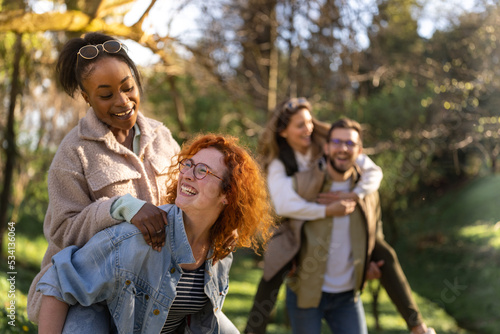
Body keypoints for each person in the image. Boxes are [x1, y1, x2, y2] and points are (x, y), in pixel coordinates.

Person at [36, 134, 275, 333]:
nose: (188, 174)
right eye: (188, 164)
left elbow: (204, 318)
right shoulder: (137, 238)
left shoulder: (220, 250)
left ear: (228, 195)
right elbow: (58, 280)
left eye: (203, 170)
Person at [27, 32, 181, 324]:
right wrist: (119, 208)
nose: (123, 101)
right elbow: (62, 231)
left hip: (156, 285)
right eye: (106, 94)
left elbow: (186, 196)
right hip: (91, 293)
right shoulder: (73, 152)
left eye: (128, 87)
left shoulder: (163, 138)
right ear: (87, 97)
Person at [245, 99, 435, 334]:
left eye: (309, 122)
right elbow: (284, 206)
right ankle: (253, 330)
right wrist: (327, 210)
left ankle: (417, 325)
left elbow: (374, 172)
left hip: (345, 295)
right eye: (300, 126)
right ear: (283, 132)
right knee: (274, 267)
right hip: (294, 224)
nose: (308, 129)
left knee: (385, 253)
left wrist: (355, 196)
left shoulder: (329, 144)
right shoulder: (280, 163)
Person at [286, 117, 379, 333]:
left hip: (348, 297)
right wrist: (284, 257)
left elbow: (376, 232)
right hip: (305, 292)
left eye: (350, 143)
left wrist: (370, 259)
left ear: (360, 150)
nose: (343, 149)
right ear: (326, 147)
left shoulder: (367, 191)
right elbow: (277, 221)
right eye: (337, 142)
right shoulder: (305, 184)